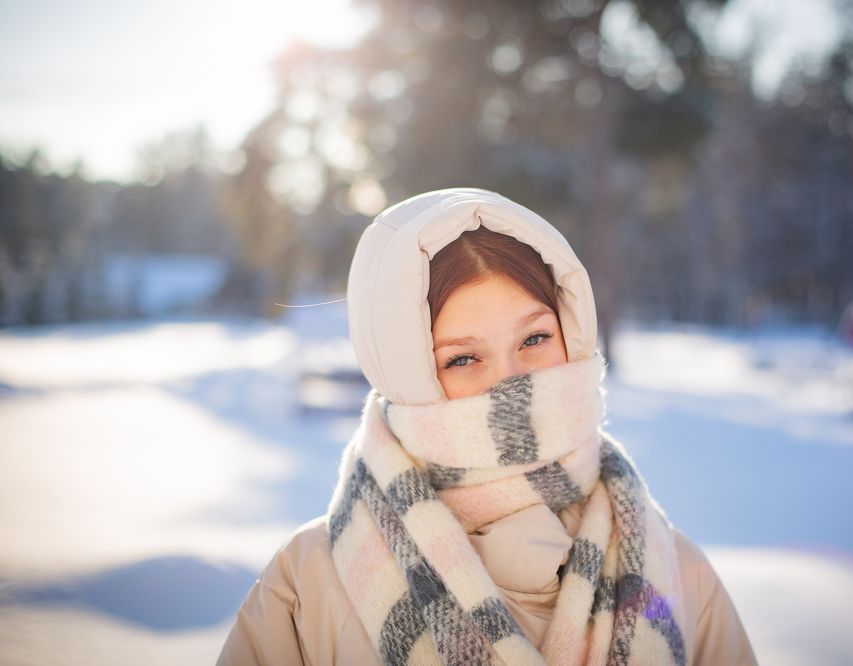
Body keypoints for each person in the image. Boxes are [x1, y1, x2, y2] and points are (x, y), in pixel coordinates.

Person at [218, 188, 756, 665]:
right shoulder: (308, 584)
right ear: (407, 378)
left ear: (573, 330)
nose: (512, 384)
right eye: (462, 359)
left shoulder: (676, 572)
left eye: (534, 339)